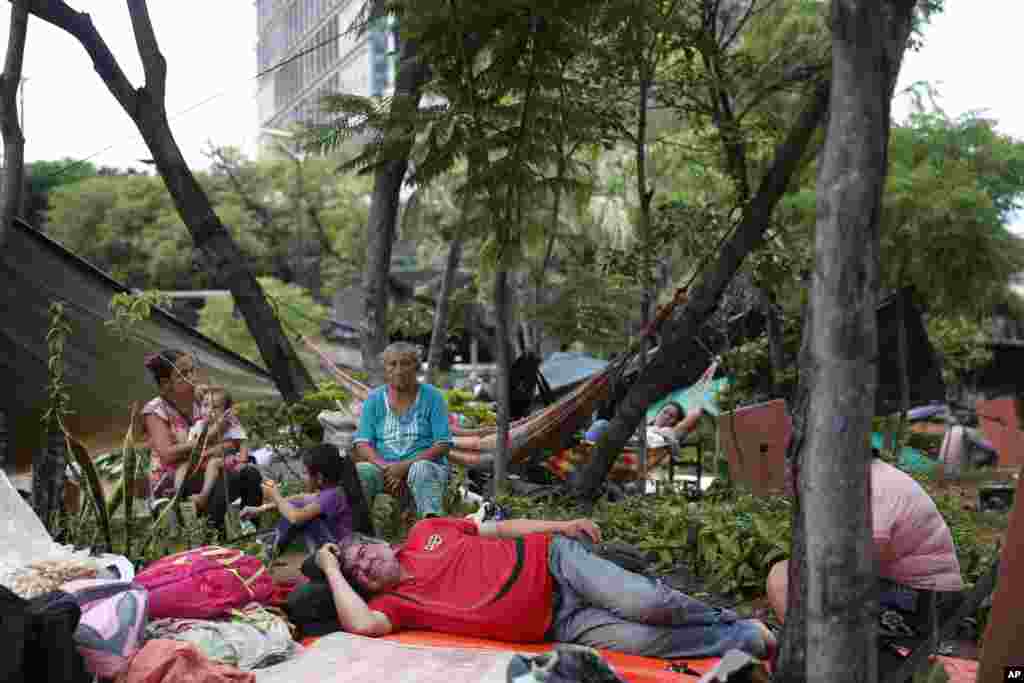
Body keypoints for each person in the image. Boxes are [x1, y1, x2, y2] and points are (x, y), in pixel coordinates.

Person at [286, 515, 776, 661]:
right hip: (559, 623)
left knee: (644, 602)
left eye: (364, 551)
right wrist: (330, 568)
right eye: (356, 569)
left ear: (382, 543)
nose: (364, 563)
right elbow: (361, 623)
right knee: (645, 643)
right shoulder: (394, 605)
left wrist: (560, 523)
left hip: (554, 562)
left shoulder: (424, 532)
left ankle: (723, 619)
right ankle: (746, 635)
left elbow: (496, 529)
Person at [765, 451, 963, 629]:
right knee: (788, 573)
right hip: (913, 593)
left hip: (925, 603)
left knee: (787, 578)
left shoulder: (874, 485)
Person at [141, 349, 263, 530]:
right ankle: (214, 534)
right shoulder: (155, 410)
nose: (192, 377)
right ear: (166, 383)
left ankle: (252, 532)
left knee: (250, 472)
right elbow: (167, 456)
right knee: (223, 480)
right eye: (184, 374)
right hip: (175, 482)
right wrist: (210, 437)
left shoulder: (207, 399)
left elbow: (233, 439)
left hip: (210, 467)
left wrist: (213, 448)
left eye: (193, 370)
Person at [352, 342, 452, 519]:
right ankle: (360, 531)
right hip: (384, 470)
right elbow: (362, 443)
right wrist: (386, 467)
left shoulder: (433, 397)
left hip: (426, 469)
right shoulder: (374, 400)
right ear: (385, 368)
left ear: (416, 366)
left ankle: (434, 530)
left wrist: (404, 467)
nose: (399, 370)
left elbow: (442, 444)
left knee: (420, 469)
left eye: (405, 363)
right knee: (361, 471)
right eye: (392, 364)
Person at [242, 444, 355, 561]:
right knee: (298, 506)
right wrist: (261, 509)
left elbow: (295, 517)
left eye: (305, 473)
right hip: (333, 548)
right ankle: (266, 551)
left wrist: (275, 495)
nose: (302, 476)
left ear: (319, 477)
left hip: (340, 554)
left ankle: (264, 554)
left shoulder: (332, 496)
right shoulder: (331, 492)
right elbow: (299, 498)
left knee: (300, 515)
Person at [176, 385, 249, 512]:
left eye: (215, 407)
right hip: (201, 462)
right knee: (182, 467)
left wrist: (243, 461)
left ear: (225, 411)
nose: (208, 411)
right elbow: (194, 444)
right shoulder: (199, 425)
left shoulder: (231, 423)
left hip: (225, 460)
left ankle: (204, 495)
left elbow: (243, 441)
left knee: (213, 463)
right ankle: (177, 494)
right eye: (205, 405)